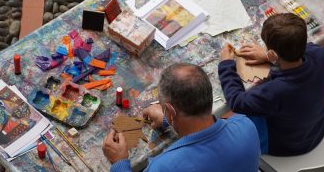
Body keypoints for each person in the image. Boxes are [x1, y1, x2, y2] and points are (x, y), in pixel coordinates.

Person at [103, 63, 260, 171]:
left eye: (163, 106)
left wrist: (119, 162)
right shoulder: (246, 125)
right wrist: (169, 119)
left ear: (171, 111)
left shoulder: (163, 167)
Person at [218, 13, 324, 156]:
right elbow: (307, 49)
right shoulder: (319, 55)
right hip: (316, 128)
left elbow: (236, 102)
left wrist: (226, 65)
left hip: (287, 145)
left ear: (272, 55)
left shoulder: (275, 91)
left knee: (233, 127)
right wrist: (267, 56)